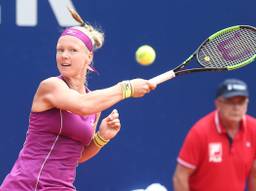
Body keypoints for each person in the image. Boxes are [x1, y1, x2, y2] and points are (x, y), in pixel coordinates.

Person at [0, 8, 156, 191]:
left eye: (73, 50)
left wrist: (101, 138)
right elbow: (82, 105)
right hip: (26, 185)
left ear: (89, 57)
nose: (64, 55)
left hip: (61, 187)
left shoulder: (94, 105)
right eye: (60, 50)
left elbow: (76, 156)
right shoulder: (51, 86)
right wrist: (127, 88)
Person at [173, 78, 256, 191]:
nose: (236, 108)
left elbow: (254, 175)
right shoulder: (200, 132)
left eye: (240, 102)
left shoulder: (254, 129)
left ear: (247, 104)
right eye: (230, 101)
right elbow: (180, 177)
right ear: (218, 103)